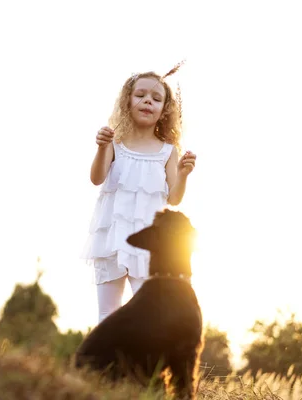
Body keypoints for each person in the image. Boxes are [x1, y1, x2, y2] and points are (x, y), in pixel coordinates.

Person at [81, 68, 197, 323]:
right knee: (107, 313)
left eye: (156, 98)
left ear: (164, 109)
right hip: (111, 235)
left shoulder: (168, 152)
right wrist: (102, 147)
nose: (147, 101)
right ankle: (106, 364)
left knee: (151, 314)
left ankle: (144, 363)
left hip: (148, 242)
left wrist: (183, 174)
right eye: (140, 95)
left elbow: (174, 199)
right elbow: (96, 178)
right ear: (127, 101)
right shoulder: (114, 143)